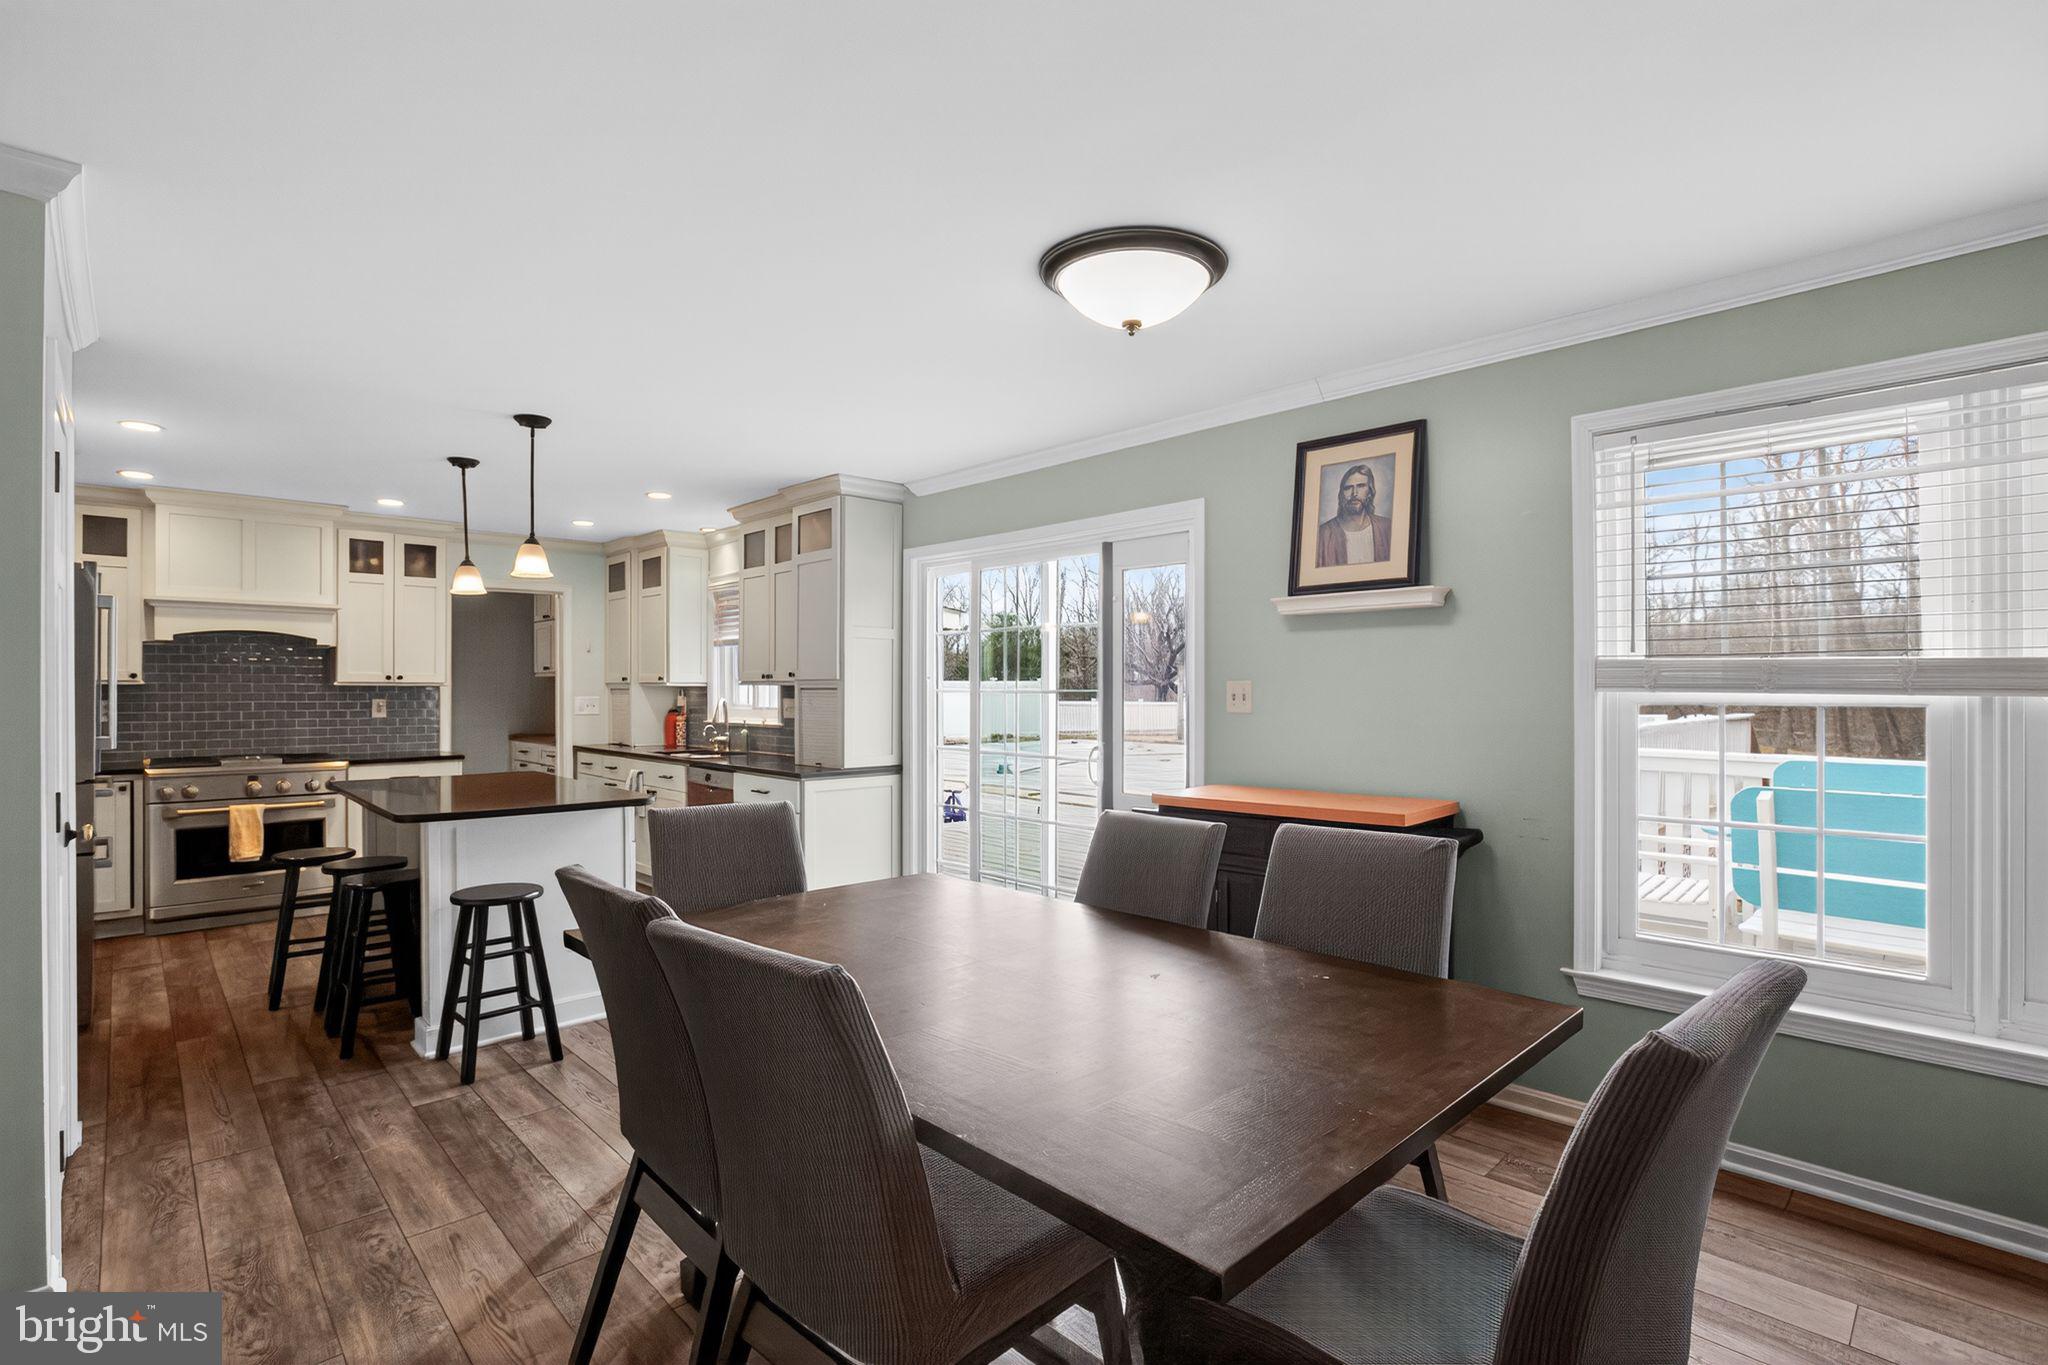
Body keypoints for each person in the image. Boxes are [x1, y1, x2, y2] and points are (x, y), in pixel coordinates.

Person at [1316, 462, 1392, 566]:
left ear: (1370, 492)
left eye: (1361, 486)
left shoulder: (1387, 527)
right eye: (1348, 488)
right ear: (1341, 494)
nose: (1354, 493)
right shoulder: (1323, 534)